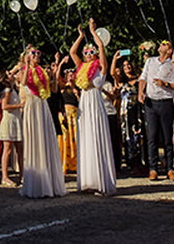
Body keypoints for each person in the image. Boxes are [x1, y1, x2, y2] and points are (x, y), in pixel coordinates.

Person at [69, 19, 116, 195]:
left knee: (96, 135)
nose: (88, 54)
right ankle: (88, 181)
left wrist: (93, 32)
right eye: (86, 52)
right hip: (84, 102)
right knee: (86, 138)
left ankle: (101, 182)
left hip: (95, 101)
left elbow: (102, 49)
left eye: (91, 52)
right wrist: (81, 36)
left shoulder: (100, 67)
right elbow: (72, 51)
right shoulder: (81, 67)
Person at [19, 45, 66, 198]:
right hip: (32, 105)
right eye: (33, 53)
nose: (37, 55)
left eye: (38, 53)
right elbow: (24, 82)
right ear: (28, 56)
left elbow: (52, 89)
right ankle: (36, 183)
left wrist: (55, 70)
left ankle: (49, 182)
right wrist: (26, 66)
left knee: (46, 140)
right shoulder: (24, 70)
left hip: (42, 105)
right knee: (35, 140)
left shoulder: (42, 71)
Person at [138, 39, 174, 181]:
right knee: (152, 137)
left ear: (170, 50)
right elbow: (143, 78)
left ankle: (170, 168)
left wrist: (165, 83)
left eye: (165, 43)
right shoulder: (150, 61)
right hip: (151, 102)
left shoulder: (172, 64)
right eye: (161, 43)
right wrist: (140, 92)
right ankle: (153, 168)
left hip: (166, 102)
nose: (161, 45)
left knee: (167, 137)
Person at [110, 51, 144, 174]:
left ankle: (142, 163)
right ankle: (131, 163)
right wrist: (114, 58)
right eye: (124, 66)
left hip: (138, 112)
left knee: (140, 136)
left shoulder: (139, 79)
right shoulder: (121, 82)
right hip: (125, 113)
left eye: (128, 65)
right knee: (127, 137)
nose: (127, 67)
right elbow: (112, 73)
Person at [0, 70, 24, 187]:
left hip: (16, 120)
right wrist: (20, 105)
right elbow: (4, 106)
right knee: (7, 149)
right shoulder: (7, 91)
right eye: (10, 74)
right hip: (9, 120)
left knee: (20, 149)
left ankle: (22, 174)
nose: (12, 75)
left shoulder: (14, 90)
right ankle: (5, 176)